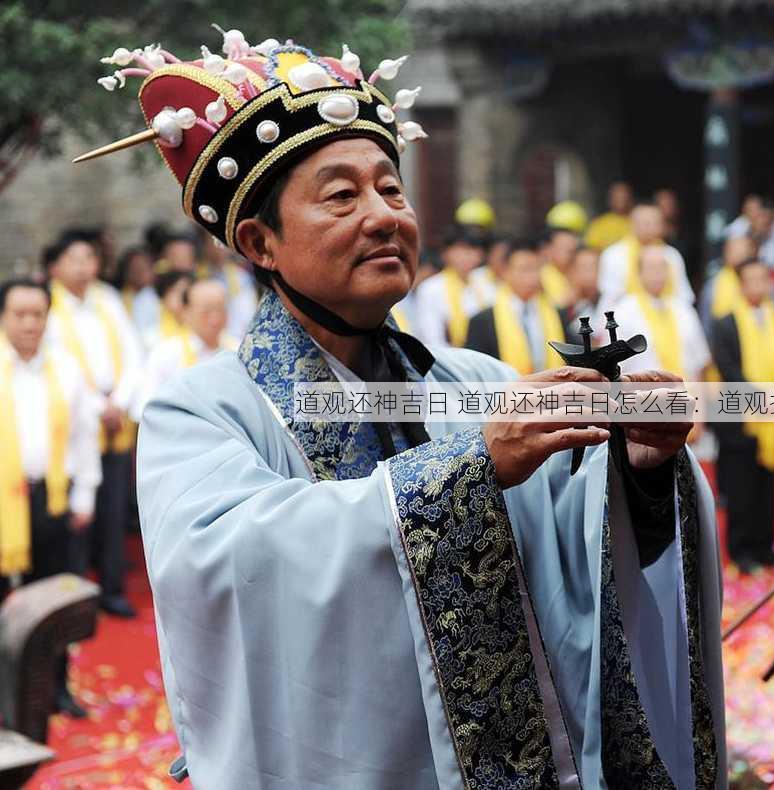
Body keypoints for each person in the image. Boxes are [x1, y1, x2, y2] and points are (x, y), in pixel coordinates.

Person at [78, 32, 725, 788]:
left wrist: (639, 473)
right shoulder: (199, 411)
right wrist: (469, 467)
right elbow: (237, 568)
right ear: (259, 242)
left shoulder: (474, 380)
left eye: (391, 189)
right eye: (341, 196)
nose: (384, 215)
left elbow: (572, 555)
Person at [0, 277, 101, 717]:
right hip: (4, 502)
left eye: (37, 314)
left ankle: (55, 688)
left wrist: (85, 495)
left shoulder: (65, 368)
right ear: (3, 317)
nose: (28, 323)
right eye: (19, 313)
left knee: (53, 600)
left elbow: (84, 436)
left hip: (50, 499)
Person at [43, 231, 142, 617]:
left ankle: (112, 587)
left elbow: (133, 353)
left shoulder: (108, 300)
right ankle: (75, 591)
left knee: (115, 505)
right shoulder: (49, 305)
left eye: (89, 258)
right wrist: (98, 407)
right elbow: (57, 367)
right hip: (75, 418)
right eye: (74, 259)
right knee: (78, 508)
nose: (84, 267)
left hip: (115, 413)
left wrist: (118, 401)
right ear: (55, 266)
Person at [710, 259, 774, 572]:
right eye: (752, 279)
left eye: (764, 278)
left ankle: (765, 545)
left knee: (768, 483)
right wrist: (760, 396)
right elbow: (727, 366)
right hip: (740, 418)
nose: (759, 285)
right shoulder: (726, 323)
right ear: (741, 284)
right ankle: (741, 548)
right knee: (741, 486)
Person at [132, 279, 237, 422]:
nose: (215, 318)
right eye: (206, 312)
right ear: (186, 312)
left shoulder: (237, 351)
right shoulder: (166, 353)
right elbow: (145, 408)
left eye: (220, 310)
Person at [464, 240, 569, 373]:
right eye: (525, 269)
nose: (533, 276)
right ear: (506, 272)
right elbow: (475, 370)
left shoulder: (557, 314)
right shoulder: (483, 321)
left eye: (537, 269)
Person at [613, 245, 710, 382]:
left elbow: (699, 363)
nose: (657, 274)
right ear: (639, 273)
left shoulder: (683, 309)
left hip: (685, 393)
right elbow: (616, 367)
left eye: (662, 268)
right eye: (651, 268)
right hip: (642, 396)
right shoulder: (623, 312)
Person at [599, 203, 695, 307]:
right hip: (626, 315)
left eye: (655, 222)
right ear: (632, 224)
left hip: (666, 313)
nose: (650, 227)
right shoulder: (614, 254)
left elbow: (683, 295)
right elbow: (609, 295)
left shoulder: (671, 255)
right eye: (645, 222)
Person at [413, 224, 486, 347]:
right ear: (446, 253)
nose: (466, 256)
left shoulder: (486, 284)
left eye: (472, 250)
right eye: (460, 250)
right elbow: (432, 339)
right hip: (450, 359)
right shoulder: (431, 289)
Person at [700, 235, 758, 337]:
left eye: (742, 252)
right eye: (732, 251)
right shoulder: (713, 286)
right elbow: (706, 325)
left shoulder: (762, 280)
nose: (738, 255)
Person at [725, 198, 774, 271]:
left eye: (767, 220)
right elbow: (732, 262)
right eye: (759, 217)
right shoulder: (739, 231)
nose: (763, 221)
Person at [566, 245, 608, 336]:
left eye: (594, 267)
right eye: (584, 268)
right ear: (571, 271)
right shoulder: (564, 309)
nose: (590, 273)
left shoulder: (614, 303)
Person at [584, 180, 634, 251]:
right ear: (610, 199)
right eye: (617, 197)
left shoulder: (637, 222)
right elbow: (591, 248)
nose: (621, 200)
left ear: (630, 199)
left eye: (624, 197)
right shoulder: (599, 223)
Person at [538, 226, 578, 307]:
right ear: (548, 249)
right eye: (564, 247)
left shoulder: (576, 271)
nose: (570, 251)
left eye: (573, 248)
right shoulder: (541, 276)